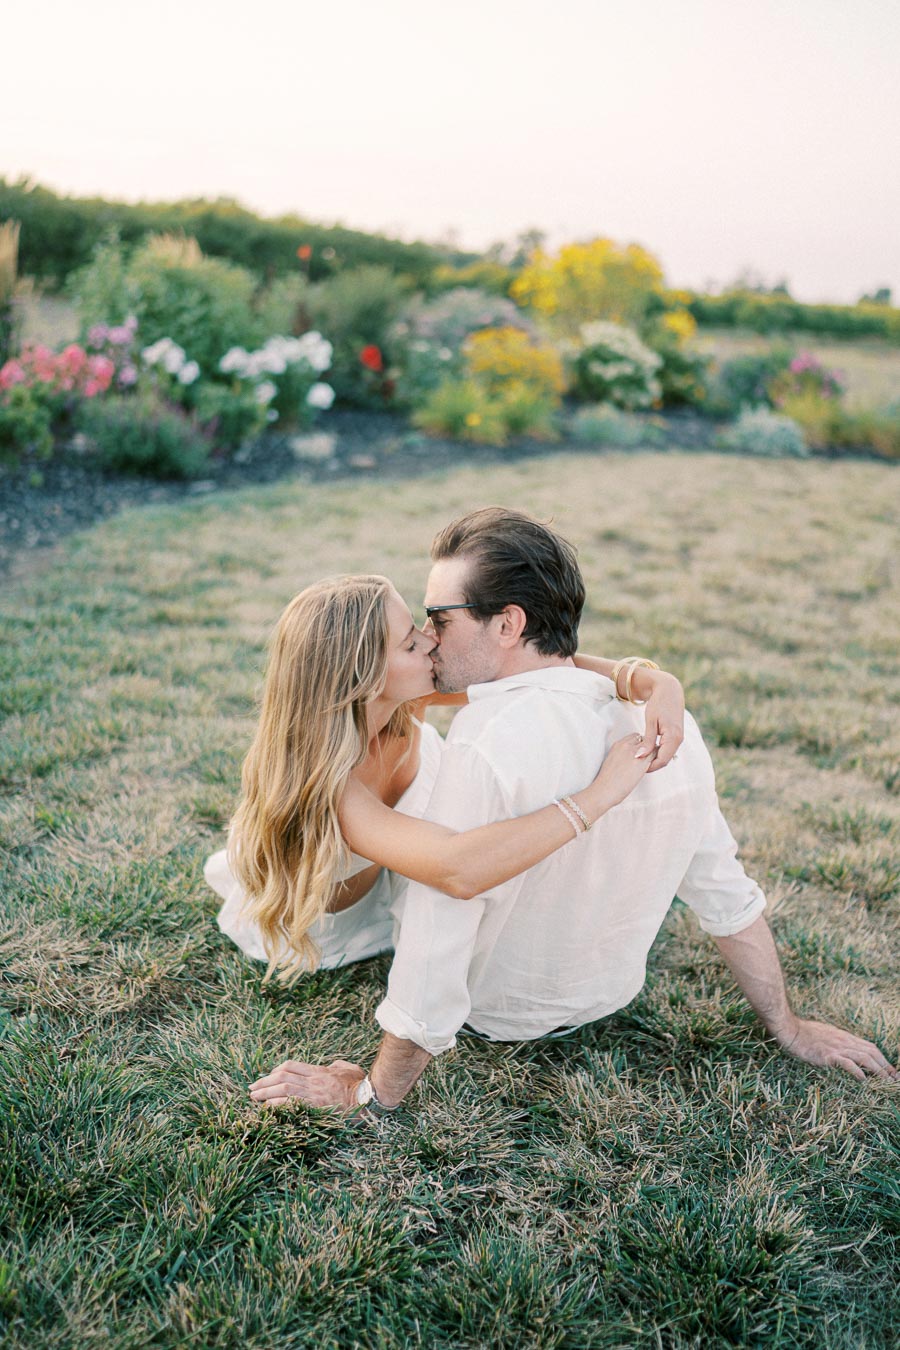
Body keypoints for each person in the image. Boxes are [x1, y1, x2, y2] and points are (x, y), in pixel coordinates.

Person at [248, 508, 896, 1114]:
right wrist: (785, 1022)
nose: (428, 638)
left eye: (438, 619)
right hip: (583, 985)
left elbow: (436, 934)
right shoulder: (668, 729)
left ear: (507, 624)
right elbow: (723, 889)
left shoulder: (490, 740)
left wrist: (375, 1092)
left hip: (497, 1010)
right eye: (416, 631)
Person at [205, 572, 686, 986]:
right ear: (366, 678)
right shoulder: (336, 791)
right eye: (411, 642)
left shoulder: (405, 699)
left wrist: (652, 682)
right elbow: (457, 870)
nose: (432, 640)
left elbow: (530, 667)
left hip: (401, 871)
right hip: (336, 928)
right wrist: (601, 795)